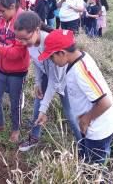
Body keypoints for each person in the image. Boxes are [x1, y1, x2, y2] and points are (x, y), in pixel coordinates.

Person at [37, 29, 113, 164]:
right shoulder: (76, 60)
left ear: (62, 53)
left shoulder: (81, 70)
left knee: (96, 168)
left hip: (99, 129)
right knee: (90, 160)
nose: (51, 61)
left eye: (51, 57)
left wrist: (85, 120)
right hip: (92, 127)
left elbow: (105, 102)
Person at [14, 12, 81, 151]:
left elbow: (54, 81)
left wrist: (44, 109)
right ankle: (34, 138)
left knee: (69, 112)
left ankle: (83, 143)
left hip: (65, 78)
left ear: (37, 30)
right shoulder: (30, 43)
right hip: (47, 76)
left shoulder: (50, 45)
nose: (23, 43)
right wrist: (38, 82)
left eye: (26, 39)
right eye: (20, 39)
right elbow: (38, 62)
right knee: (37, 107)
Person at [0, 0, 30, 143]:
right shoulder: (2, 21)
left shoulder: (23, 22)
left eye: (2, 11)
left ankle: (15, 129)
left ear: (12, 6)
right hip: (1, 68)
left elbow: (18, 52)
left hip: (17, 72)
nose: (0, 14)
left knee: (15, 102)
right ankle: (0, 124)